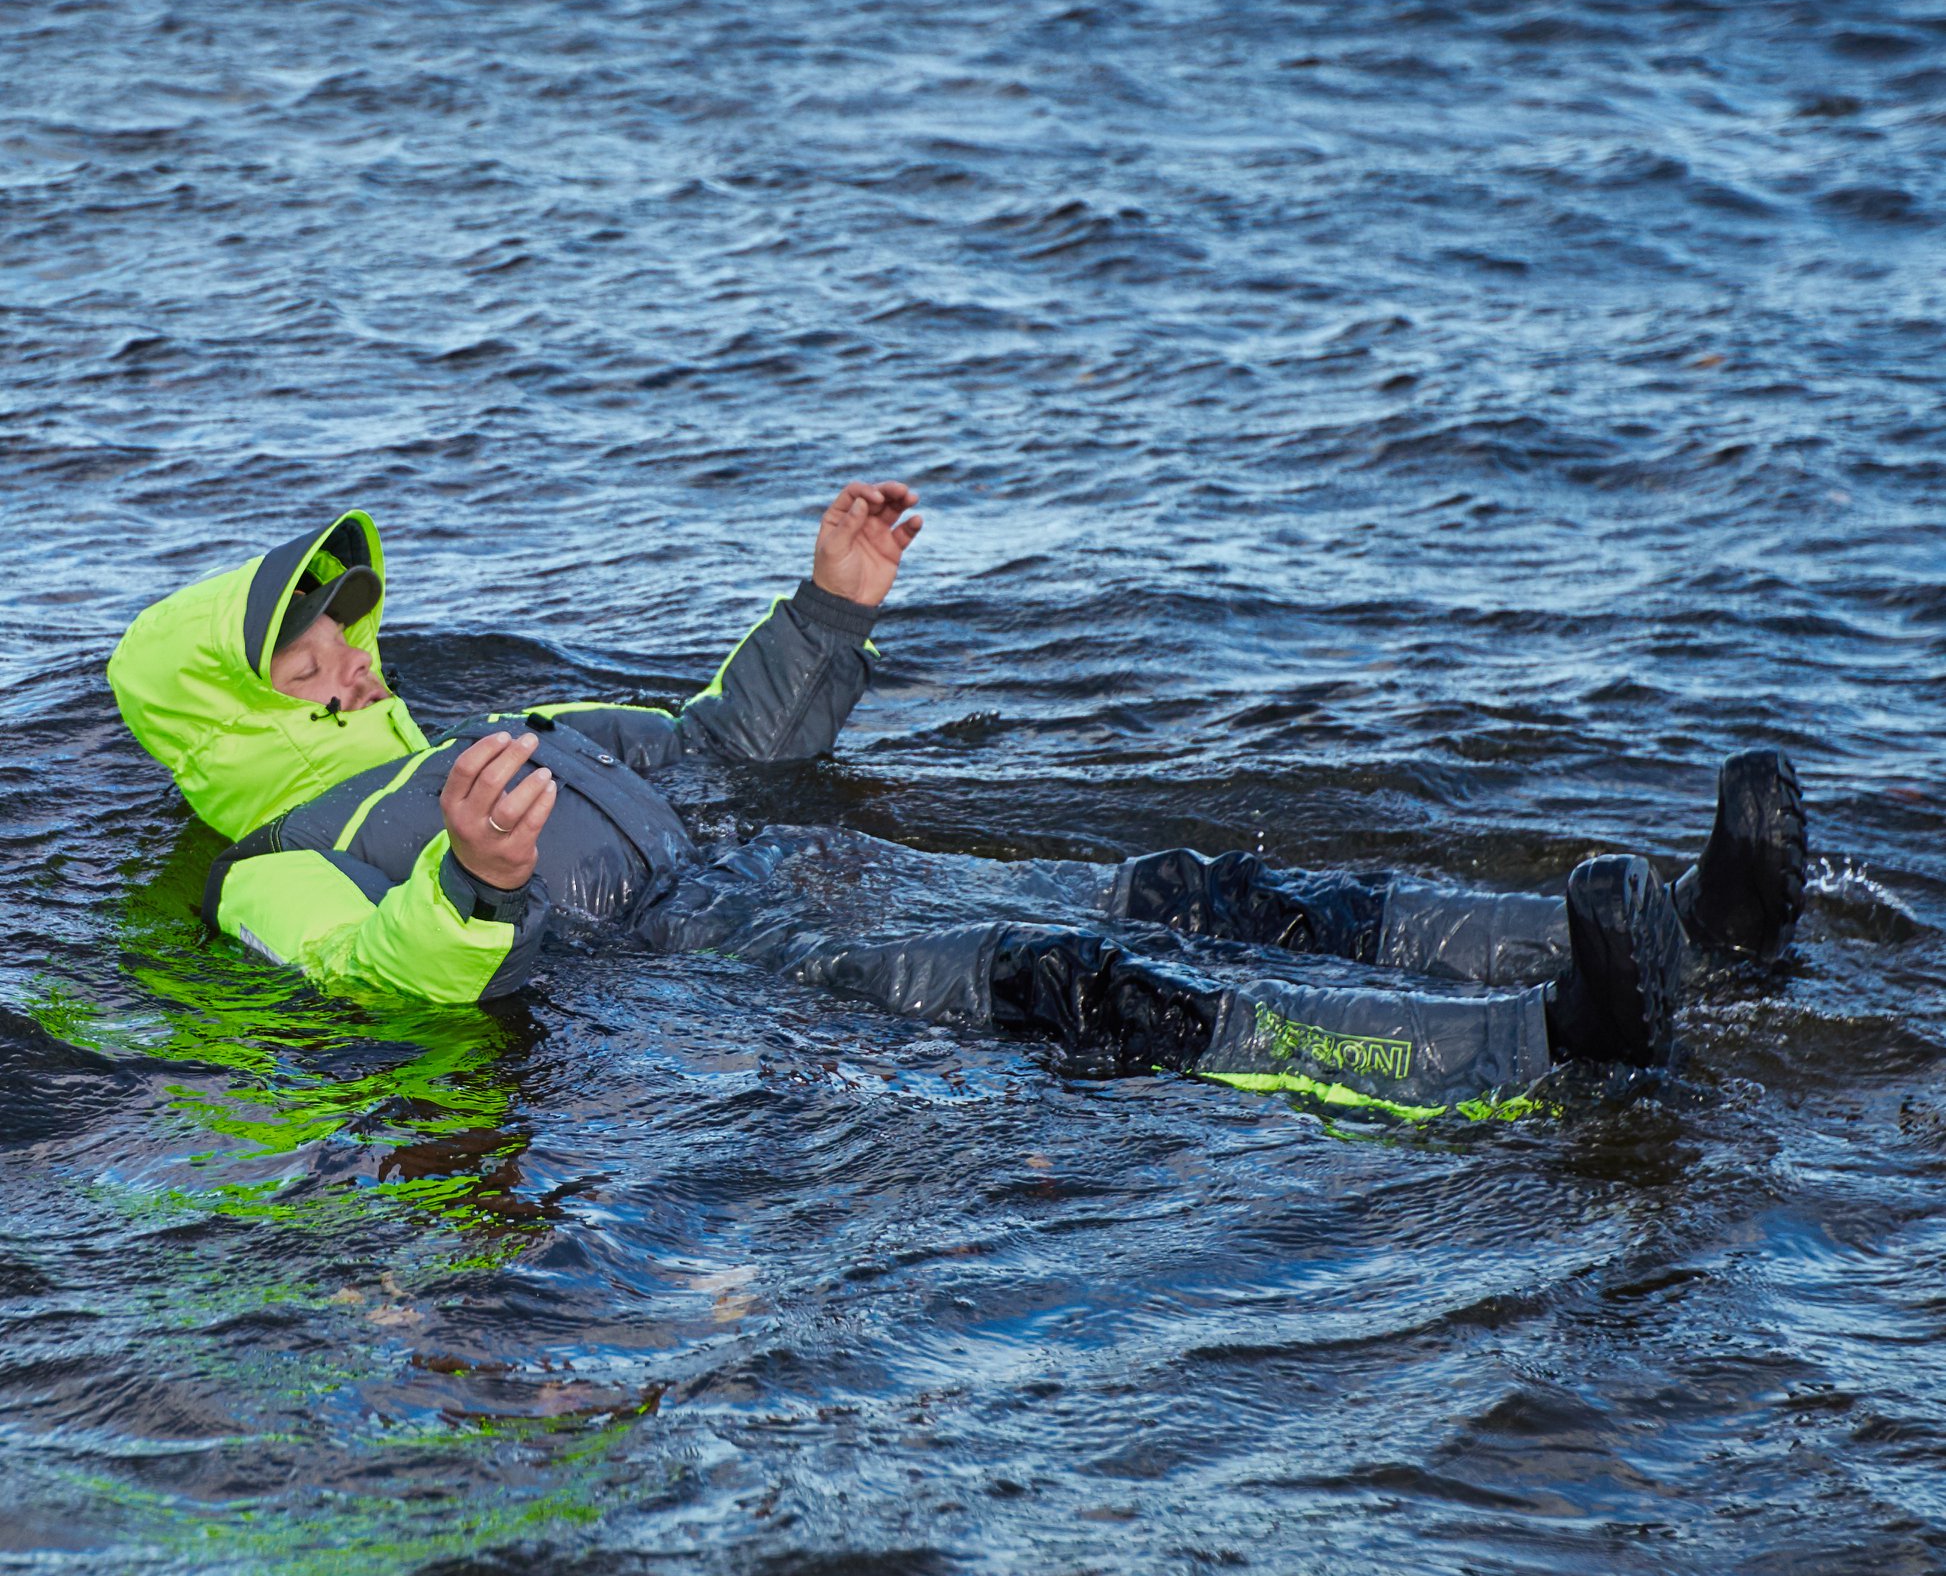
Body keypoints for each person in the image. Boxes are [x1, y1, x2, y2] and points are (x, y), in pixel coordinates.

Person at [106, 486, 1808, 1122]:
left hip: (788, 872)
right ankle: (1539, 1050)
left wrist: (829, 606)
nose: (340, 655)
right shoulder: (275, 868)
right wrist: (471, 888)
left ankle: (1682, 936)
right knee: (1080, 983)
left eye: (338, 625)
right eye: (297, 651)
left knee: (1175, 882)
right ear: (224, 712)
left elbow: (723, 746)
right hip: (698, 982)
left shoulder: (511, 724)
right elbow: (377, 981)